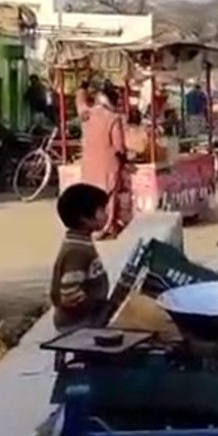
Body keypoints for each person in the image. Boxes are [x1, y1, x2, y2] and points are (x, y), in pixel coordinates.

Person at [50, 183, 111, 332]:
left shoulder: (80, 243)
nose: (106, 214)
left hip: (86, 317)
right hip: (79, 322)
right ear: (84, 218)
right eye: (102, 210)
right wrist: (97, 308)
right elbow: (70, 294)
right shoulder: (77, 251)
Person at [76, 83, 129, 239]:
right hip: (108, 164)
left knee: (91, 197)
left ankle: (92, 226)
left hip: (89, 164)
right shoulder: (113, 118)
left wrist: (82, 87)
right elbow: (119, 146)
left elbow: (79, 101)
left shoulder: (86, 114)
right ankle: (106, 227)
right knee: (109, 197)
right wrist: (125, 160)